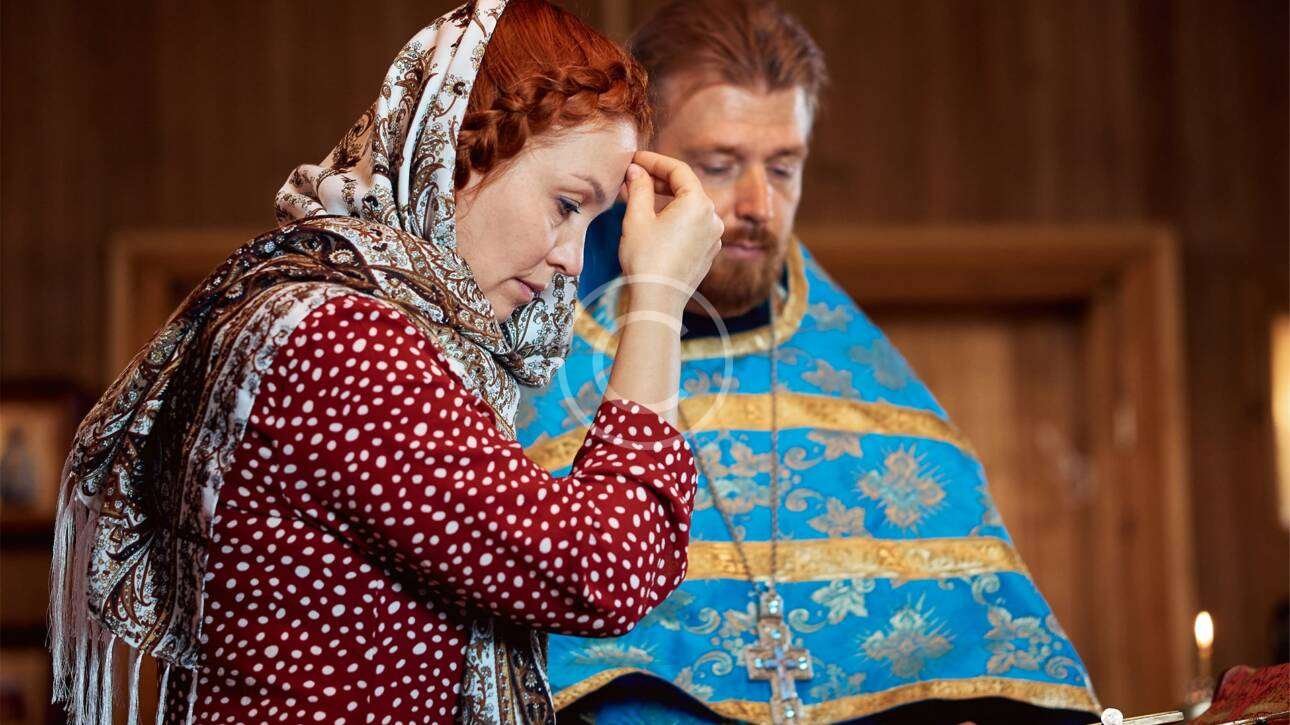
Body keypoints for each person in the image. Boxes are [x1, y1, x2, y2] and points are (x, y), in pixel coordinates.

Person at [47, 1, 724, 723]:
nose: (573, 260)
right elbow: (604, 571)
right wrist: (657, 301)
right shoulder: (344, 343)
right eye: (566, 204)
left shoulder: (334, 314)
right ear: (456, 152)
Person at [516, 1, 1101, 722]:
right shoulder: (532, 362)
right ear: (636, 164)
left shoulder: (872, 394)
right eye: (719, 165)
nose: (758, 204)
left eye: (784, 167)